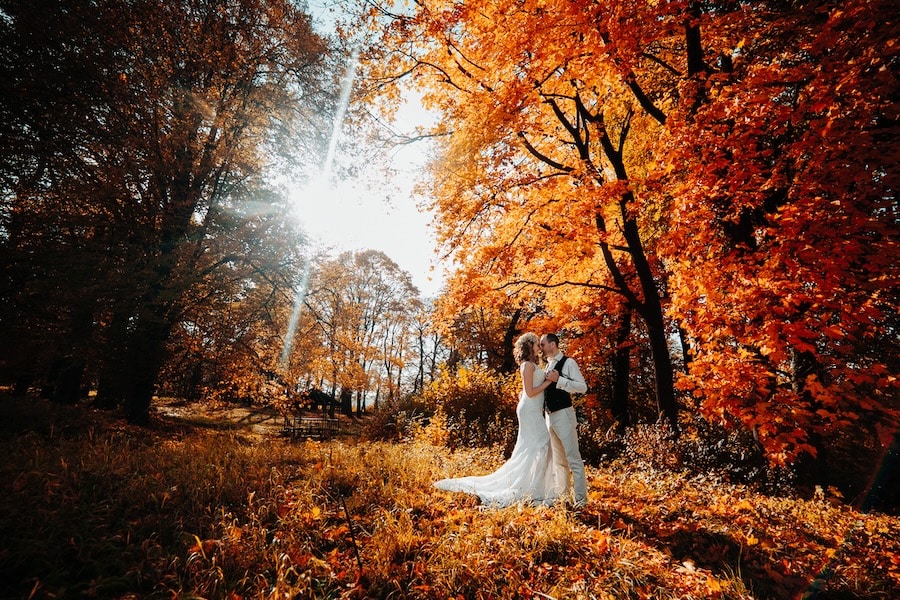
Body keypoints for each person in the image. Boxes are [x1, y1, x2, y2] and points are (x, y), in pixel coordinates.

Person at [433, 332, 567, 507]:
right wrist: (549, 381)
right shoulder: (527, 365)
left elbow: (525, 391)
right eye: (536, 344)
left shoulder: (533, 364)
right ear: (529, 346)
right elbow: (530, 392)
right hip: (530, 411)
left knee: (536, 447)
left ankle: (536, 487)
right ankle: (528, 487)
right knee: (540, 445)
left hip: (532, 409)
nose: (538, 347)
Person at [540, 332, 588, 508]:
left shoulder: (569, 363)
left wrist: (559, 379)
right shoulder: (547, 365)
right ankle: (564, 498)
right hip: (549, 417)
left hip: (564, 415)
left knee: (573, 459)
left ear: (552, 344)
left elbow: (582, 388)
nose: (541, 348)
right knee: (559, 462)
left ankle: (581, 502)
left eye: (543, 344)